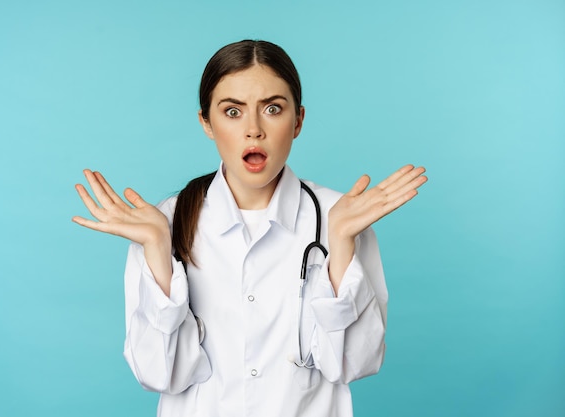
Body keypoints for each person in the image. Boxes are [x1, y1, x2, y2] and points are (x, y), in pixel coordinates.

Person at [73, 39, 427, 417]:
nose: (254, 130)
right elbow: (158, 374)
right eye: (232, 111)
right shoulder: (162, 223)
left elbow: (356, 365)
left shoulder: (342, 217)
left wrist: (340, 244)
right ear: (206, 122)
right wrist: (159, 250)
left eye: (273, 109)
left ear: (298, 121)